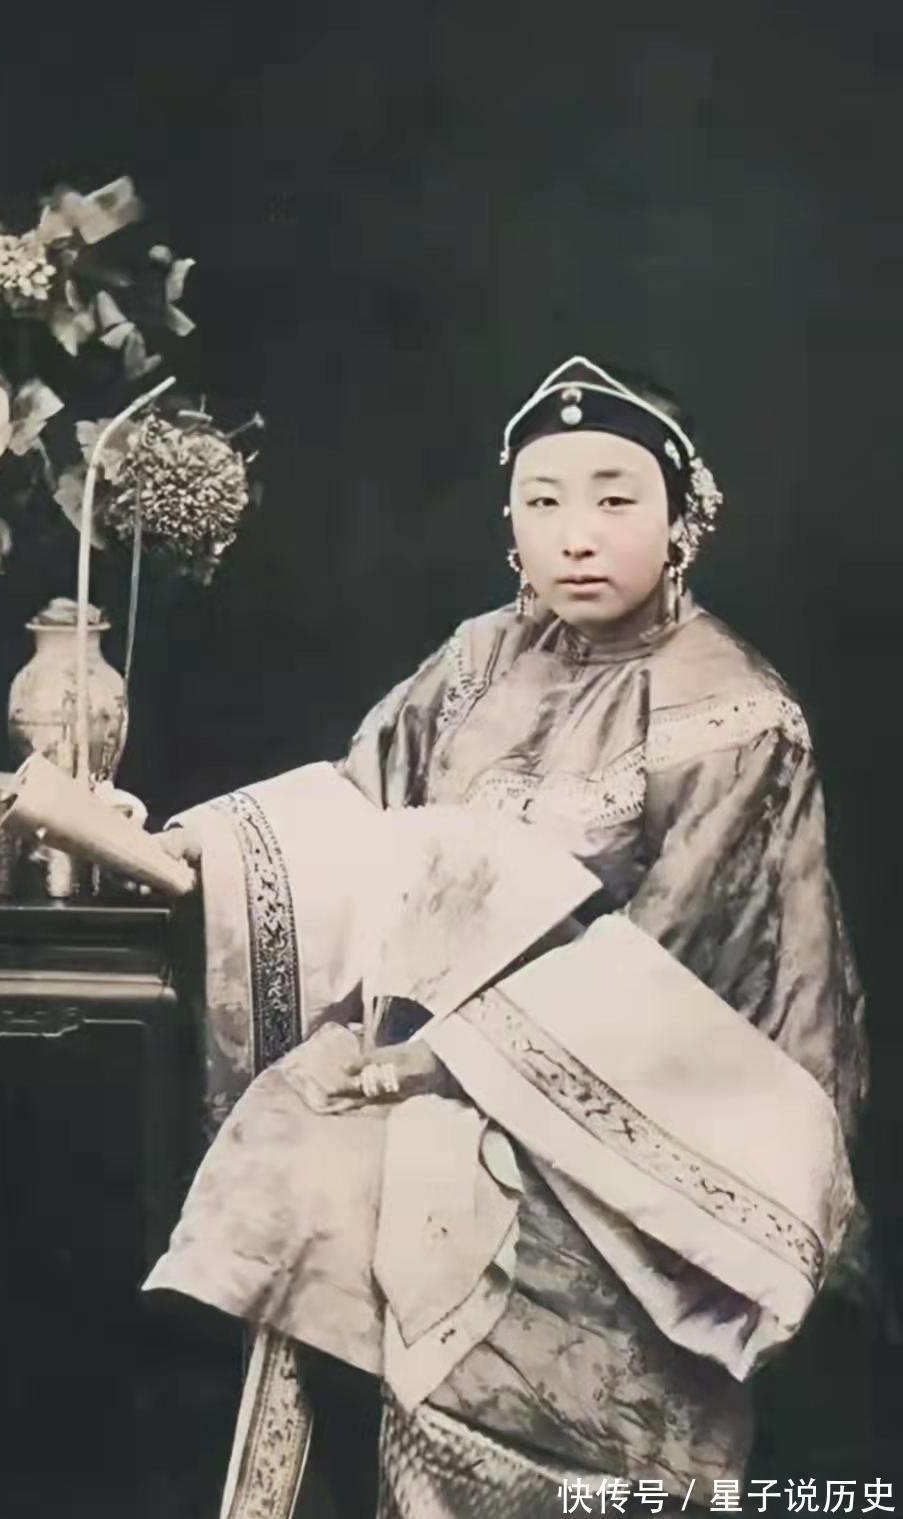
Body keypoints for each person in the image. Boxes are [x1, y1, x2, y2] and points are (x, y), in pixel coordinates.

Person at [147, 356, 868, 1519]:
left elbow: (679, 961)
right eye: (543, 502)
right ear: (510, 525)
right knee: (303, 1142)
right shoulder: (478, 660)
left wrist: (448, 1061)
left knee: (420, 1183)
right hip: (444, 1061)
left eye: (615, 499)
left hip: (645, 1123)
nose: (577, 535)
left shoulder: (732, 713)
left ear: (682, 520)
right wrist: (193, 850)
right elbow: (353, 815)